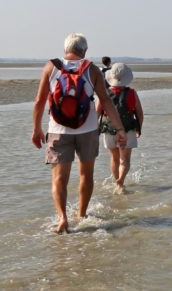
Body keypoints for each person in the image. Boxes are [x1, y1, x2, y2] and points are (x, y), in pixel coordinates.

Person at [31, 33, 127, 233]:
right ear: (84, 50)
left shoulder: (51, 68)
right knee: (86, 174)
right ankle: (82, 214)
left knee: (59, 177)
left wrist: (36, 128)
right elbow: (106, 101)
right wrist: (119, 129)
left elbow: (39, 101)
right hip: (88, 129)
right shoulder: (91, 70)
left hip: (58, 130)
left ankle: (62, 218)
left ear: (66, 49)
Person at [98, 63, 143, 194]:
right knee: (125, 159)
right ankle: (121, 182)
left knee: (114, 157)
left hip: (109, 129)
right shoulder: (132, 93)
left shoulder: (104, 93)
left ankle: (116, 181)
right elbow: (139, 113)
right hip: (127, 129)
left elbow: (97, 111)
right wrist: (139, 128)